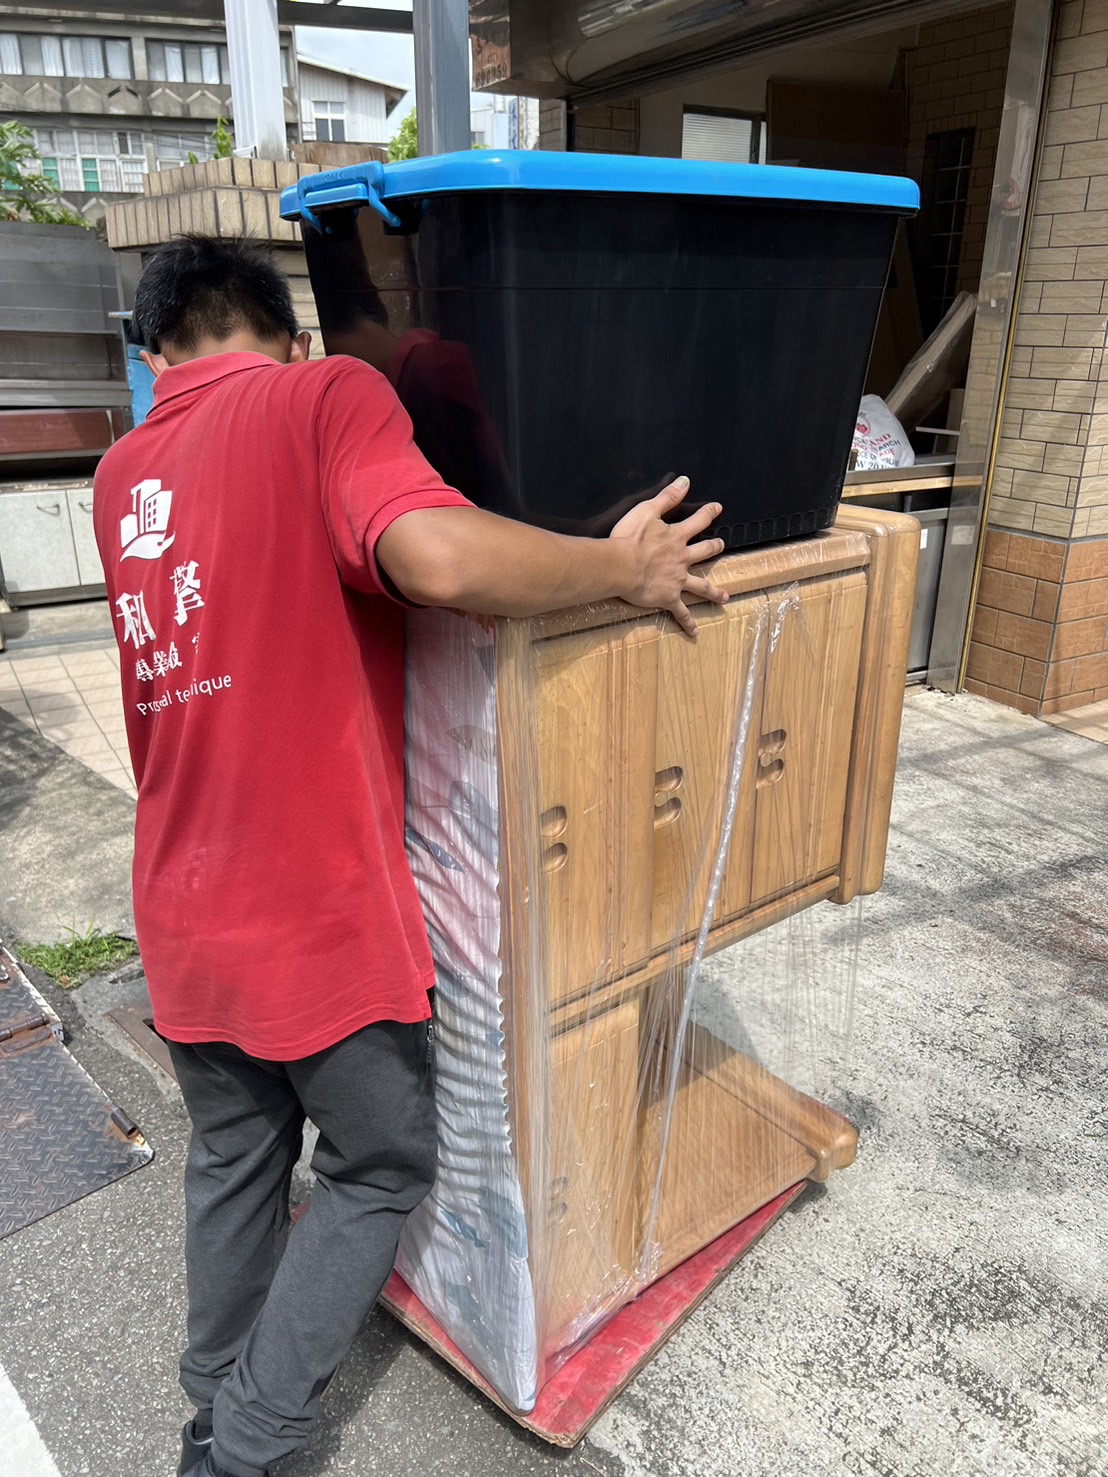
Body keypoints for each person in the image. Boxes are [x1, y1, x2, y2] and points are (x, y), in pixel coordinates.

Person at [92, 234, 726, 1477]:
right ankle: (249, 1442)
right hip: (314, 913)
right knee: (380, 1161)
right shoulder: (323, 396)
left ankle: (210, 1400)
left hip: (179, 905)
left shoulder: (121, 473)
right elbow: (435, 557)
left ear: (157, 353)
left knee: (235, 1157)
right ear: (288, 336)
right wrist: (621, 564)